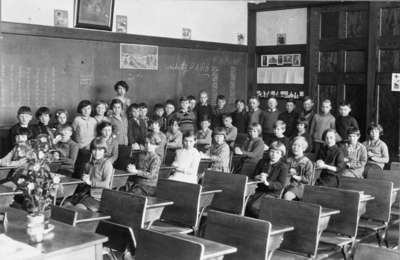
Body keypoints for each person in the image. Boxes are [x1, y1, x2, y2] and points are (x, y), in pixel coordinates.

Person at [70, 137, 113, 212]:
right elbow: (85, 181)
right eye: (94, 149)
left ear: (104, 151)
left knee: (78, 208)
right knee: (66, 205)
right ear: (91, 150)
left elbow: (106, 184)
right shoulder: (88, 164)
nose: (97, 152)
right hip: (85, 194)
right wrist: (83, 179)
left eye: (100, 150)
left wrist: (91, 182)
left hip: (98, 197)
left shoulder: (107, 164)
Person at [246, 141, 289, 218]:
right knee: (245, 204)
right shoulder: (262, 162)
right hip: (259, 191)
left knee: (253, 207)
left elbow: (281, 185)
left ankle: (260, 223)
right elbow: (254, 175)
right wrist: (257, 177)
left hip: (272, 194)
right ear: (269, 151)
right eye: (272, 151)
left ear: (281, 155)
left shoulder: (283, 167)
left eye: (277, 153)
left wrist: (267, 182)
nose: (274, 155)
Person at [283, 136, 314, 200]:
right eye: (294, 145)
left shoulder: (307, 162)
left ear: (304, 148)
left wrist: (297, 177)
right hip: (286, 184)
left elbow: (309, 180)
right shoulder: (288, 160)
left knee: (287, 196)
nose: (295, 148)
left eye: (299, 146)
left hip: (299, 186)